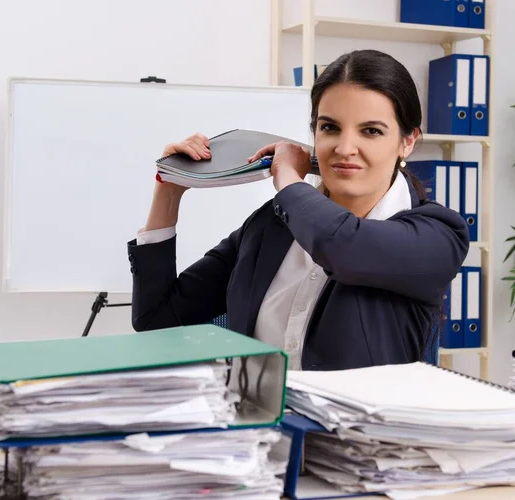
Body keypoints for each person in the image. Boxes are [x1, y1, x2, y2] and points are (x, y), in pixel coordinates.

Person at [127, 49, 469, 371]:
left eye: (371, 131)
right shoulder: (271, 225)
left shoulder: (437, 235)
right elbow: (157, 319)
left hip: (353, 434)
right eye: (330, 127)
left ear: (407, 141)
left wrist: (288, 178)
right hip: (255, 426)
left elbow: (342, 245)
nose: (345, 148)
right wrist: (169, 189)